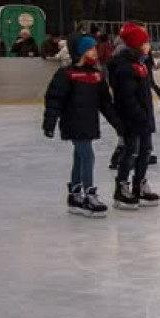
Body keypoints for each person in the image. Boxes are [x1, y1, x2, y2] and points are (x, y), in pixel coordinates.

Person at [43, 33, 121, 218]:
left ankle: (75, 195)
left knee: (80, 157)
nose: (95, 51)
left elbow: (105, 104)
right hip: (73, 122)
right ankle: (89, 195)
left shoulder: (96, 75)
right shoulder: (66, 74)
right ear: (80, 52)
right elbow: (54, 99)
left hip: (89, 122)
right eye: (90, 48)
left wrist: (118, 123)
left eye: (95, 47)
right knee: (87, 156)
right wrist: (50, 122)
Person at [108, 23, 160, 210]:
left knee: (145, 151)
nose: (149, 45)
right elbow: (126, 98)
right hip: (132, 119)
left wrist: (146, 117)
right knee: (131, 152)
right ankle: (121, 187)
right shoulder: (124, 67)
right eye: (146, 42)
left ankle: (139, 184)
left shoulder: (139, 63)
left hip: (144, 118)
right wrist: (140, 116)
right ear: (137, 45)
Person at [143, 44, 160, 111]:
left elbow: (149, 56)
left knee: (151, 84)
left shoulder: (144, 43)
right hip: (137, 66)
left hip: (146, 67)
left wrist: (152, 65)